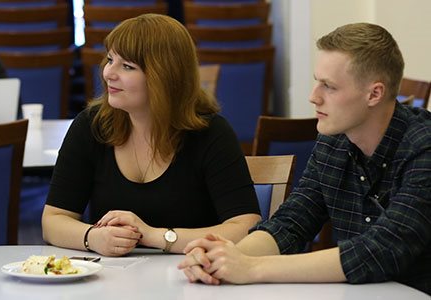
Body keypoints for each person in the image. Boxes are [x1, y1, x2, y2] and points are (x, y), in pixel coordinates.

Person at [178, 23, 431, 295]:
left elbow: (384, 249)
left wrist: (252, 268)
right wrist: (223, 258)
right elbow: (293, 221)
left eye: (329, 87)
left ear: (374, 94)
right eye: (316, 81)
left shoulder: (423, 147)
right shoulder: (334, 141)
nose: (313, 97)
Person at [41, 14, 261, 257]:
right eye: (110, 59)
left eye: (127, 66)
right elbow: (53, 220)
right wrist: (91, 237)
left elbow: (246, 227)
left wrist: (154, 235)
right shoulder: (92, 125)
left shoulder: (210, 133)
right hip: (112, 284)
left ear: (163, 77)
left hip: (193, 281)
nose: (108, 73)